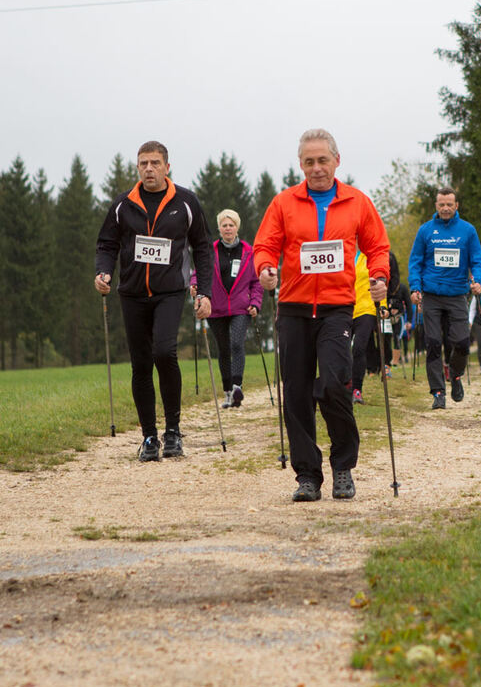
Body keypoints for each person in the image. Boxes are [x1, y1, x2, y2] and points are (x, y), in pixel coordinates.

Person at [254, 128, 390, 502]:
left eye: (322, 160)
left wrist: (380, 277)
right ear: (301, 164)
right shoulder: (284, 203)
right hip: (294, 308)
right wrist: (265, 268)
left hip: (336, 307)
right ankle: (307, 476)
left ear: (336, 160)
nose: (316, 168)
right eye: (309, 162)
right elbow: (265, 245)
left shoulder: (356, 202)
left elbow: (378, 246)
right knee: (296, 392)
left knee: (333, 383)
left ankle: (342, 466)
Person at [95, 140, 213, 462]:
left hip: (170, 292)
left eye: (155, 163)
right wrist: (103, 273)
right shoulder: (123, 205)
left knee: (165, 351)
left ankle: (172, 430)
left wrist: (205, 291)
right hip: (132, 293)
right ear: (138, 168)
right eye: (143, 163)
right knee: (141, 364)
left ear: (167, 167)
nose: (149, 169)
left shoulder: (186, 202)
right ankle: (149, 436)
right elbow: (106, 244)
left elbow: (202, 247)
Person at [408, 186, 481, 410]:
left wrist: (479, 281)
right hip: (431, 296)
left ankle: (455, 375)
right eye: (441, 204)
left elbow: (478, 260)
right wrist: (415, 288)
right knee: (433, 343)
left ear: (456, 206)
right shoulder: (425, 231)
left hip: (457, 295)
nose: (445, 208)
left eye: (449, 205)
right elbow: (415, 262)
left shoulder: (467, 231)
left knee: (462, 342)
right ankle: (438, 392)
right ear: (436, 206)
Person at [191, 209, 263, 408]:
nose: (228, 228)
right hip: (215, 307)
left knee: (237, 344)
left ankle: (237, 386)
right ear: (219, 228)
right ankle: (227, 393)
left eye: (231, 225)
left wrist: (255, 303)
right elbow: (199, 272)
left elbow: (256, 282)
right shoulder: (209, 250)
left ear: (237, 227)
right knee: (223, 349)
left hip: (241, 307)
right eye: (224, 225)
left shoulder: (249, 252)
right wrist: (194, 285)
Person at [351, 250, 387, 404]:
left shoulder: (371, 256)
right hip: (343, 308)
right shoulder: (342, 251)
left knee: (359, 348)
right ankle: (341, 387)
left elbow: (380, 282)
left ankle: (356, 390)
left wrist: (383, 306)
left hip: (366, 309)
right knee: (339, 351)